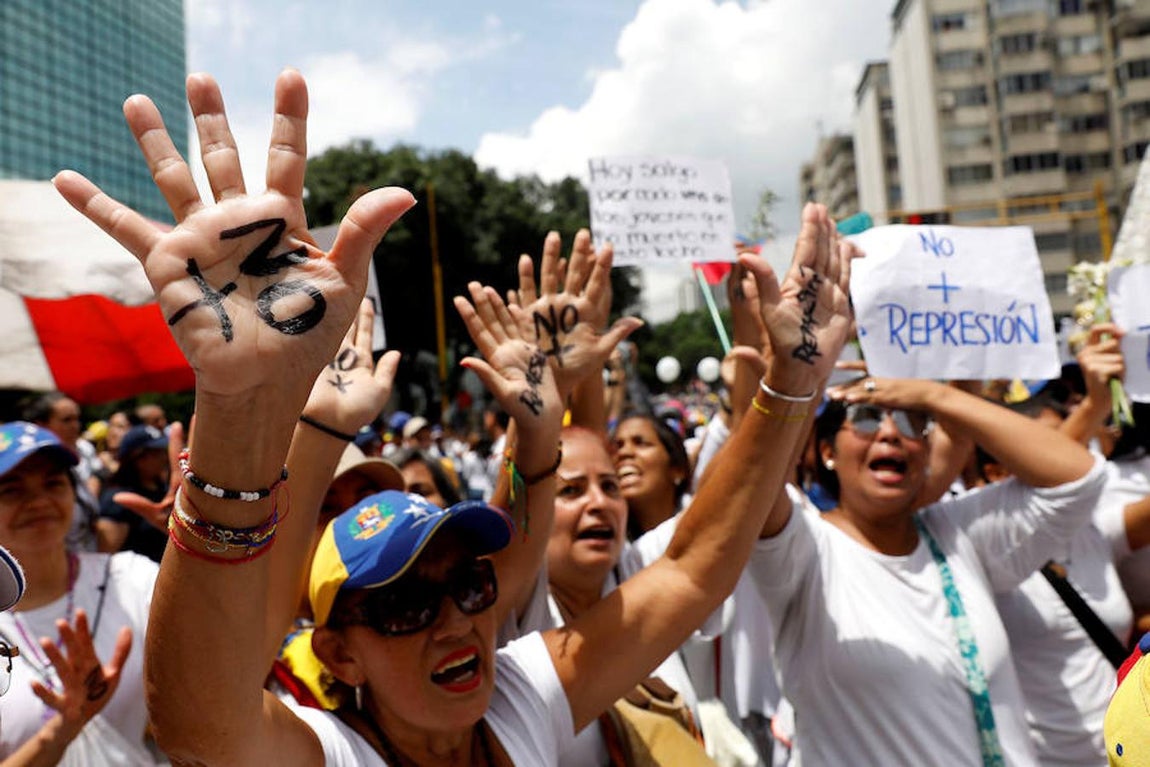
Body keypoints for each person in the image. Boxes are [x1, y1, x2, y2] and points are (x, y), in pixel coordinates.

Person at [53, 68, 853, 766]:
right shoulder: (331, 750)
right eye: (405, 608)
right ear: (337, 654)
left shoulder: (520, 698)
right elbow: (197, 726)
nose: (455, 625)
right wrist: (239, 411)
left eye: (471, 585)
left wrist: (792, 386)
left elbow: (687, 569)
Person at [751, 372, 1106, 766]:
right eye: (865, 418)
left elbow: (1079, 477)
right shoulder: (802, 546)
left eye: (911, 422)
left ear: (927, 453)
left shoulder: (955, 533)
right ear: (826, 451)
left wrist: (934, 396)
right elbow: (753, 481)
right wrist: (795, 372)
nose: (890, 433)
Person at [0, 422, 155, 766]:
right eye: (11, 490)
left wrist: (198, 548)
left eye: (53, 483)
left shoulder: (131, 578)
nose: (39, 502)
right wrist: (59, 733)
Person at [97, 425, 171, 562]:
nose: (164, 458)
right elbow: (105, 555)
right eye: (156, 453)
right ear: (136, 458)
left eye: (163, 451)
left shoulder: (166, 493)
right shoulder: (118, 501)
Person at [611, 413, 691, 538]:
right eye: (617, 447)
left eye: (641, 443)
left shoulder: (709, 521)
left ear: (677, 469)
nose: (623, 452)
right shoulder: (608, 539)